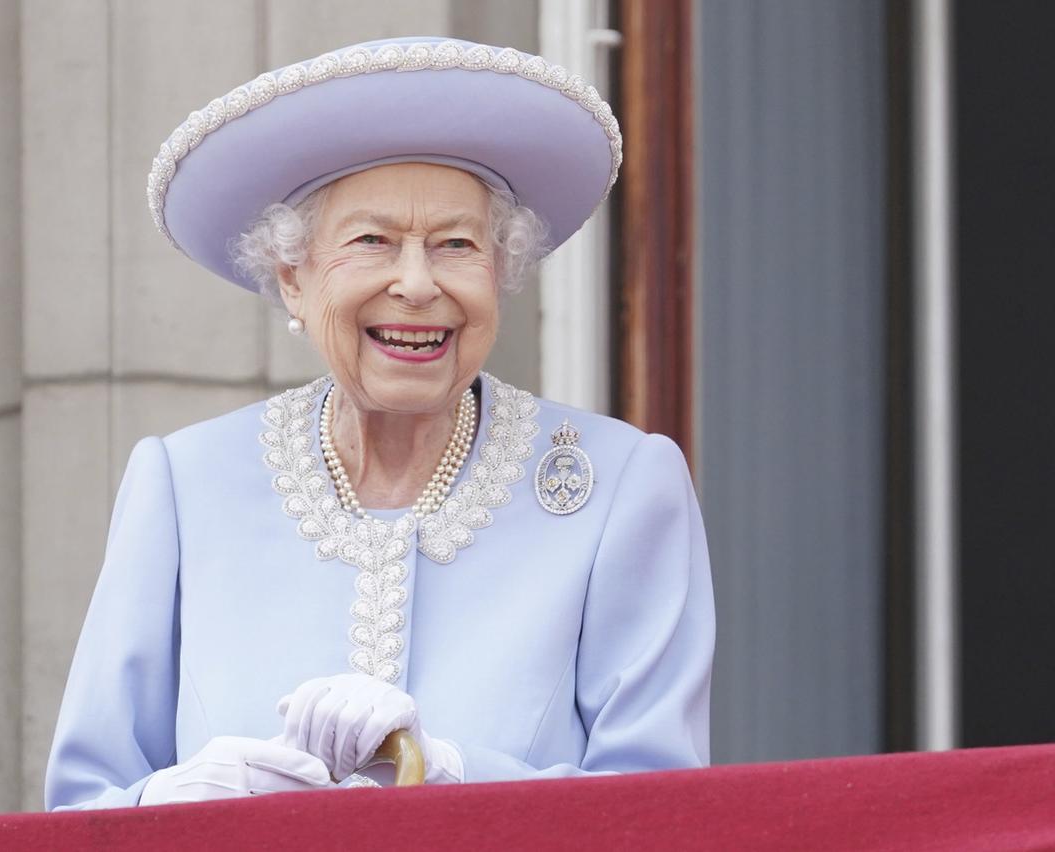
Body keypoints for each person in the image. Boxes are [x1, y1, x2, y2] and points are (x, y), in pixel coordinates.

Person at [44, 36, 714, 811]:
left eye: (456, 246)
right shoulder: (184, 484)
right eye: (372, 242)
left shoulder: (623, 487)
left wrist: (455, 771)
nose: (418, 284)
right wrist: (178, 800)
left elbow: (663, 810)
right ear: (293, 279)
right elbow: (82, 807)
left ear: (499, 274)